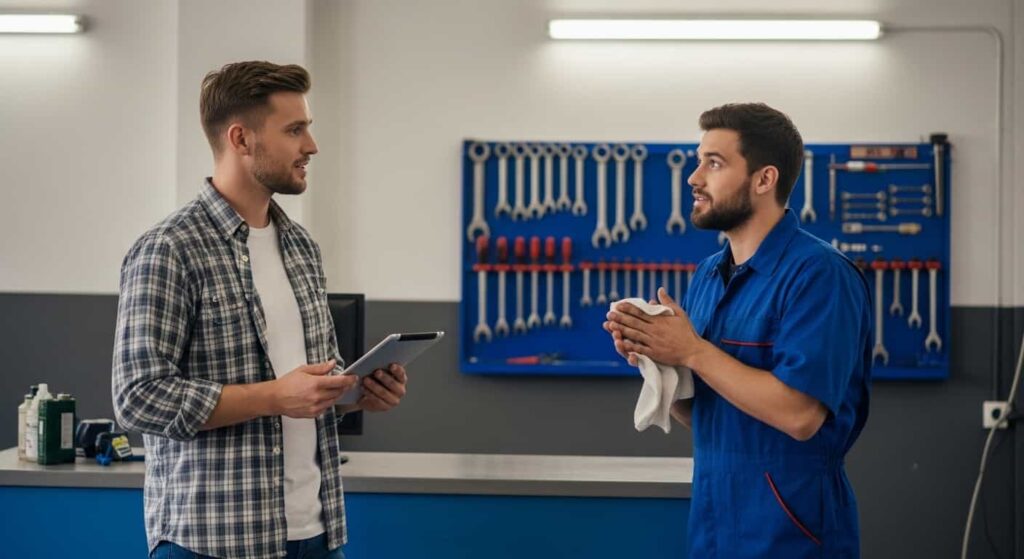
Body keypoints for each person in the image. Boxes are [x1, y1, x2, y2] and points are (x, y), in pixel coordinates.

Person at [112, 61, 408, 559]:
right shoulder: (169, 248)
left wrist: (353, 394)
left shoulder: (301, 247)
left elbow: (301, 399)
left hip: (315, 533)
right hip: (213, 542)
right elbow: (138, 398)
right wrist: (274, 396)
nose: (310, 146)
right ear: (241, 139)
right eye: (295, 130)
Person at [604, 102, 871, 558]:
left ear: (764, 179)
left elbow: (800, 416)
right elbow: (712, 412)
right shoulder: (709, 275)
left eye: (714, 163)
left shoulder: (820, 274)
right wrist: (658, 361)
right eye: (697, 160)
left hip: (790, 532)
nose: (694, 177)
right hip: (714, 523)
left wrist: (692, 353)